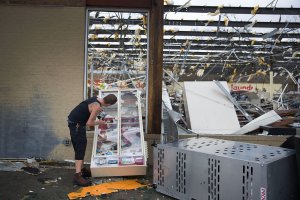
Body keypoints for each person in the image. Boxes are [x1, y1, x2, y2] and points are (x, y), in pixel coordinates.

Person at [67, 94, 117, 186]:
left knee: (80, 146)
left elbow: (89, 110)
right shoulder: (97, 107)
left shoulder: (96, 98)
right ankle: (77, 176)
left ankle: (82, 171)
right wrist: (100, 122)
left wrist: (99, 114)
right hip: (77, 125)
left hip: (74, 122)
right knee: (80, 148)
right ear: (109, 104)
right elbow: (89, 123)